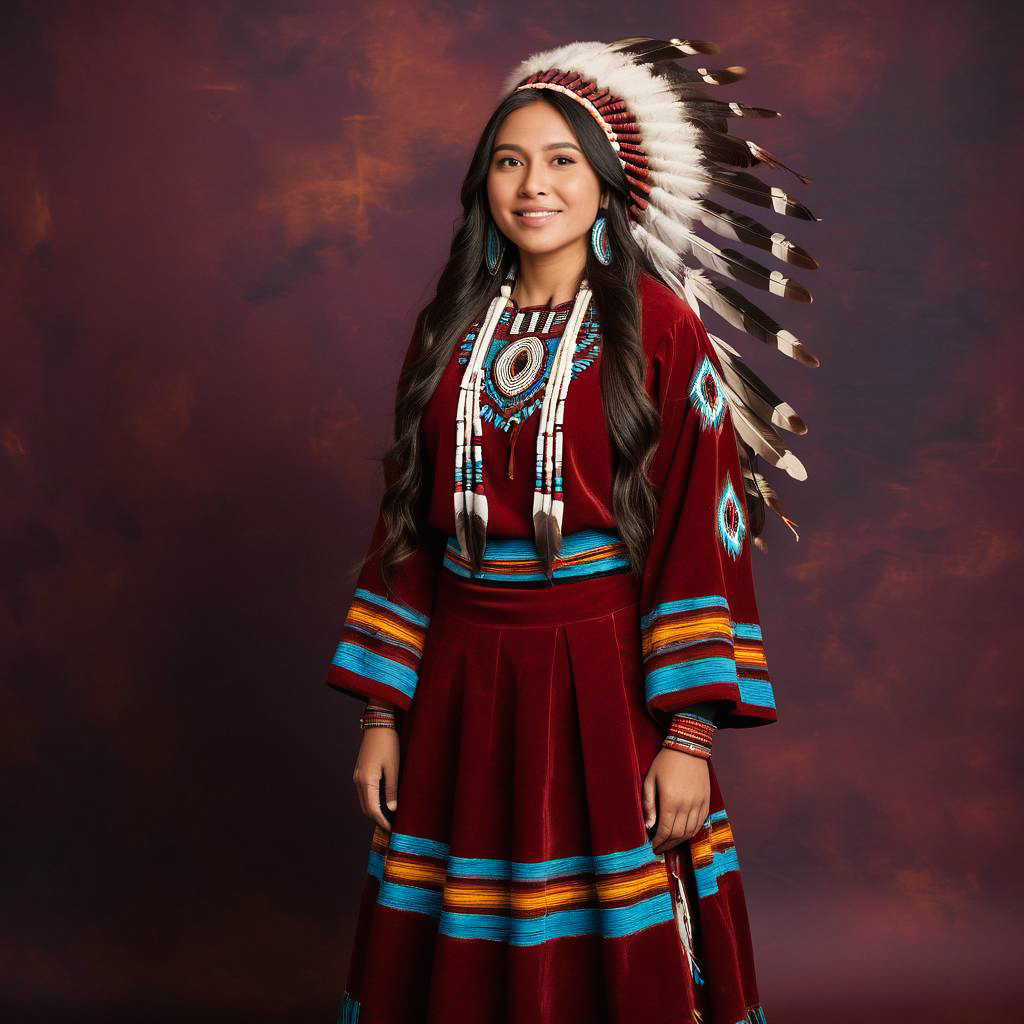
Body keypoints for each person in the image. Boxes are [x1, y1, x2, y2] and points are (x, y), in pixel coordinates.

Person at [325, 36, 818, 1024]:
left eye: (560, 160)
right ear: (483, 184)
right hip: (460, 684)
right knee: (454, 936)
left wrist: (685, 734)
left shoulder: (661, 328)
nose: (532, 183)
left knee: (608, 941)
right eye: (509, 160)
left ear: (606, 181)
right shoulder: (450, 332)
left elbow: (698, 532)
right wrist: (383, 715)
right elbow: (408, 527)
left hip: (602, 689)